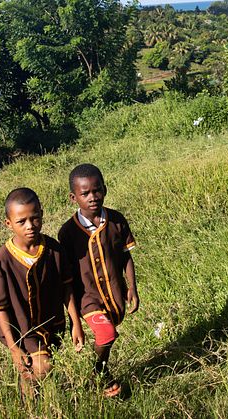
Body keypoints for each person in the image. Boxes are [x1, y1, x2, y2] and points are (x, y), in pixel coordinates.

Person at [0, 187, 84, 398]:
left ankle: (34, 404)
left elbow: (67, 287)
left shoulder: (53, 250)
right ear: (8, 223)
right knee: (42, 368)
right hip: (22, 330)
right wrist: (13, 348)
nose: (30, 226)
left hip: (53, 324)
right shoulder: (1, 261)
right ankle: (31, 399)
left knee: (43, 371)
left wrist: (76, 323)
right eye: (21, 222)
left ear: (42, 214)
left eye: (35, 218)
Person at [58, 164, 139, 398]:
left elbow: (126, 256)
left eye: (97, 191)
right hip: (87, 298)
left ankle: (100, 370)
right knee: (107, 334)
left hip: (114, 294)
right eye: (85, 194)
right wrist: (74, 317)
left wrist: (132, 286)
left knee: (109, 333)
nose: (92, 197)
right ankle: (99, 372)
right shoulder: (68, 233)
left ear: (105, 189)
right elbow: (66, 276)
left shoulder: (116, 221)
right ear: (74, 197)